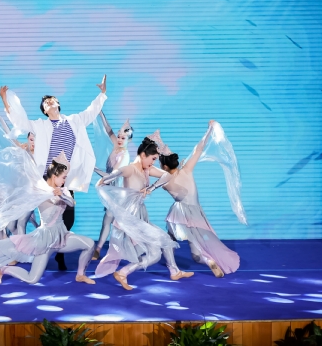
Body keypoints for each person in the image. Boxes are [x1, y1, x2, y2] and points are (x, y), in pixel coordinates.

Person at [0, 75, 107, 270]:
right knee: (46, 218)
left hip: (67, 178)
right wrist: (5, 101)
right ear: (44, 110)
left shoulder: (74, 120)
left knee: (69, 217)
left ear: (58, 104)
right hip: (48, 179)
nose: (49, 102)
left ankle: (58, 249)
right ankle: (36, 252)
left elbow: (91, 112)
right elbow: (21, 122)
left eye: (52, 100)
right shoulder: (40, 125)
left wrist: (102, 94)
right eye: (46, 103)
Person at [0, 152, 95, 285]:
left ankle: (80, 275)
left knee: (90, 244)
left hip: (62, 236)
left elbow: (71, 203)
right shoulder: (40, 191)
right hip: (45, 241)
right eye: (63, 177)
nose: (64, 181)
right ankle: (3, 269)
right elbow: (23, 198)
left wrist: (61, 195)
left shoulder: (64, 191)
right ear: (54, 176)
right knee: (32, 279)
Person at [95, 132, 193, 290]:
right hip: (132, 218)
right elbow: (115, 174)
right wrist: (103, 180)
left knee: (163, 243)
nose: (154, 162)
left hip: (140, 215)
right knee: (156, 252)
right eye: (153, 159)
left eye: (155, 159)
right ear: (142, 155)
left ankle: (173, 271)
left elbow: (167, 176)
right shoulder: (131, 169)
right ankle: (124, 272)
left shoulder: (146, 170)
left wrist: (151, 187)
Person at [160, 120, 244, 277]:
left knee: (169, 238)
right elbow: (199, 148)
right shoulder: (187, 169)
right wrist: (209, 129)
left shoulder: (165, 182)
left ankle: (172, 266)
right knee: (196, 250)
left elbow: (162, 174)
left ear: (164, 166)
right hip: (196, 213)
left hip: (179, 214)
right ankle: (208, 259)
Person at [92, 111, 133, 260]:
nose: (119, 139)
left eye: (123, 138)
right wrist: (100, 112)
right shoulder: (117, 145)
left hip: (118, 191)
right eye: (119, 136)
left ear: (129, 139)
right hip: (111, 189)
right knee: (108, 221)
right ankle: (99, 249)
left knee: (116, 221)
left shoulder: (125, 156)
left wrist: (94, 169)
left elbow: (111, 176)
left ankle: (127, 249)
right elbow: (108, 129)